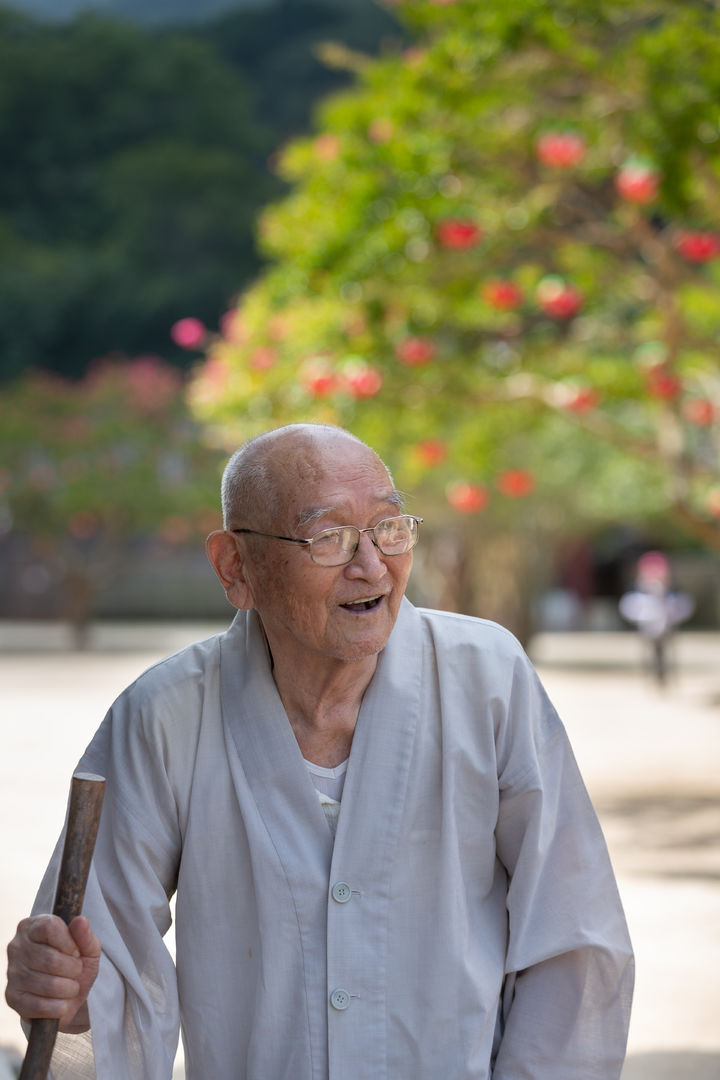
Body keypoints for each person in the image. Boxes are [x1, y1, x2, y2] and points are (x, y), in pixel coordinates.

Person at [6, 423, 634, 1079]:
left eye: (389, 527)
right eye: (328, 537)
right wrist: (69, 1002)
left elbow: (573, 943)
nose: (371, 564)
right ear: (234, 567)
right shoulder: (164, 716)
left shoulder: (488, 682)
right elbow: (99, 967)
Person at [619, 550, 695, 685]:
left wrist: (674, 613)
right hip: (648, 625)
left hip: (667, 624)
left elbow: (683, 605)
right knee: (650, 652)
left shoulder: (673, 589)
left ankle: (666, 677)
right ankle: (651, 676)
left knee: (666, 651)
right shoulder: (637, 588)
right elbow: (629, 606)